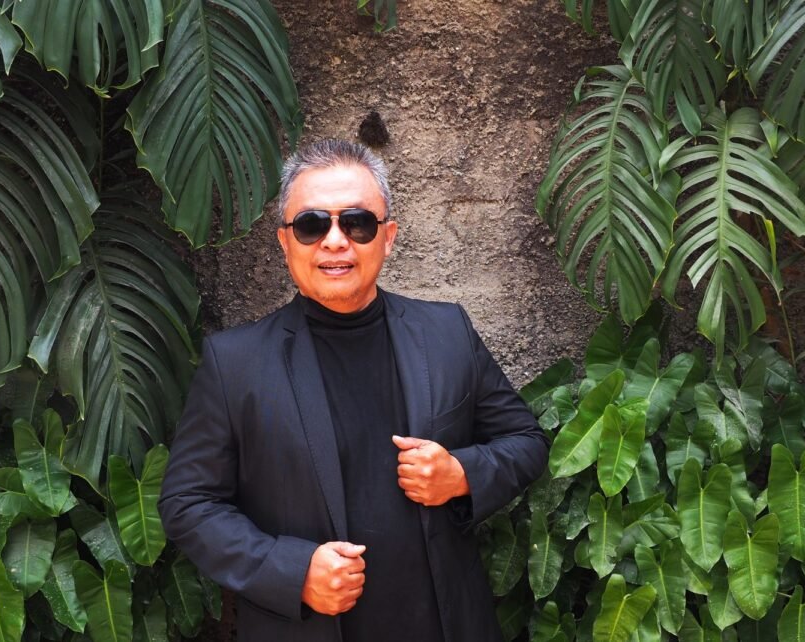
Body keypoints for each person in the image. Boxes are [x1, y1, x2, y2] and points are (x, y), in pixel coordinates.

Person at [158, 140, 549, 642]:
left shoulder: (446, 332)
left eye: (357, 222)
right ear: (285, 242)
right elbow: (188, 502)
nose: (335, 241)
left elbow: (526, 441)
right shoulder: (233, 363)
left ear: (388, 237)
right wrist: (291, 572)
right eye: (312, 225)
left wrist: (461, 475)